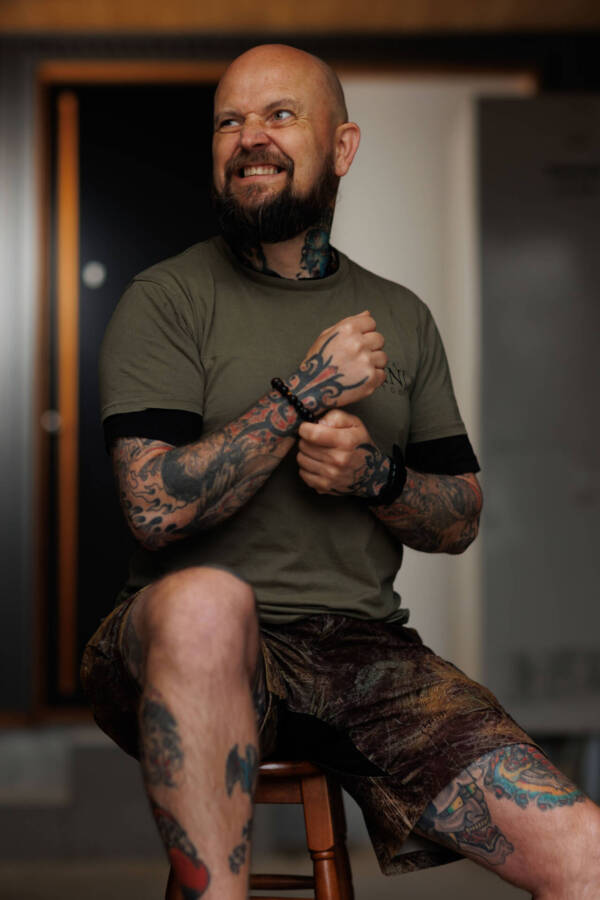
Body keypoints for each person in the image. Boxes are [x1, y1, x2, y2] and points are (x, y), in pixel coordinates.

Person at [81, 43, 600, 900]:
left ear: (343, 147)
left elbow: (462, 517)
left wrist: (376, 478)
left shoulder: (402, 316)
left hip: (364, 656)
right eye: (229, 121)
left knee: (585, 856)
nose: (250, 137)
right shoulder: (165, 300)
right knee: (212, 602)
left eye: (279, 115)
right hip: (182, 643)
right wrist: (298, 399)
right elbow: (151, 510)